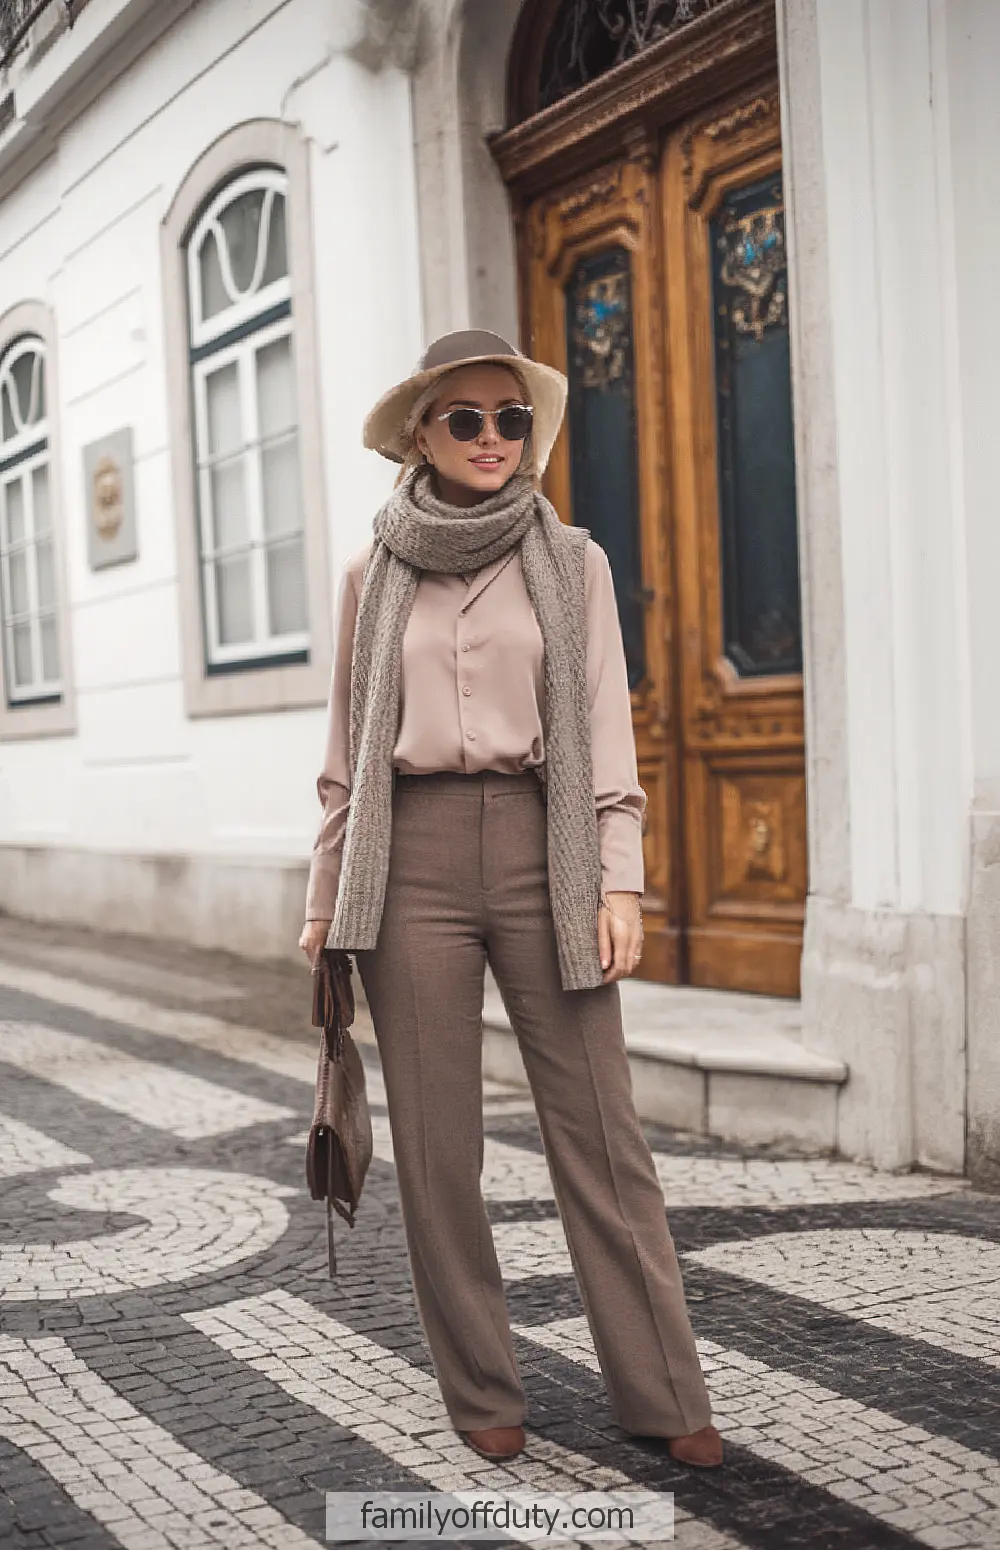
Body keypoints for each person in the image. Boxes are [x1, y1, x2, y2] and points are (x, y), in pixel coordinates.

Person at [298, 330, 722, 1469]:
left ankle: (662, 1386)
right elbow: (348, 753)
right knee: (440, 1148)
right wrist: (323, 899)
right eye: (467, 419)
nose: (494, 439)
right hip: (410, 858)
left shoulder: (571, 559)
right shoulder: (369, 574)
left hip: (551, 850)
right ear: (422, 437)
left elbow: (604, 728)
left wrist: (618, 874)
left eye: (512, 418)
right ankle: (481, 1384)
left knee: (601, 1130)